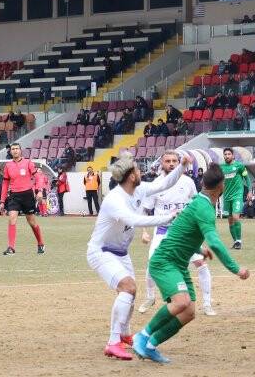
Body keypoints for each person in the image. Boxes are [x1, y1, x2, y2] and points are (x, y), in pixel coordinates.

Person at [132, 162, 248, 364]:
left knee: (189, 312)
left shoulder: (198, 202)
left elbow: (181, 231)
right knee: (181, 302)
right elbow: (216, 243)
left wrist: (199, 249)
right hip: (165, 260)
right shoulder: (204, 207)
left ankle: (151, 346)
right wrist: (236, 269)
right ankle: (141, 336)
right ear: (222, 187)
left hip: (178, 263)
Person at [86, 151, 189, 360]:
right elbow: (134, 220)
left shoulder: (139, 189)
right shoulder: (114, 199)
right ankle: (112, 342)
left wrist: (182, 166)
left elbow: (164, 184)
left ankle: (124, 334)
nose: (141, 172)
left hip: (121, 253)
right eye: (137, 170)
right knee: (128, 288)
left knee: (130, 293)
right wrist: (168, 217)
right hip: (101, 252)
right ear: (131, 175)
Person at [138, 151, 216, 316]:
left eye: (174, 161)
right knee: (152, 264)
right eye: (168, 161)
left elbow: (196, 205)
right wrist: (144, 232)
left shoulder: (188, 182)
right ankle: (150, 297)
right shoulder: (156, 184)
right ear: (162, 164)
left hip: (184, 232)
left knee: (201, 264)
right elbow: (145, 210)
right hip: (162, 231)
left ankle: (207, 303)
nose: (172, 164)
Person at [0, 143, 45, 255]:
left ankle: (40, 243)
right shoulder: (8, 166)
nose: (15, 151)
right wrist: (2, 201)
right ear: (10, 151)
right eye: (13, 149)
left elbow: (39, 177)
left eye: (17, 149)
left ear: (20, 150)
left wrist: (39, 191)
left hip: (27, 195)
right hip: (14, 196)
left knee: (32, 222)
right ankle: (11, 247)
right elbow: (5, 185)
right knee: (12, 219)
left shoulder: (28, 162)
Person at [220, 148, 250, 249]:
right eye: (225, 154)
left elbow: (247, 177)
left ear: (233, 156)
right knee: (230, 221)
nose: (227, 156)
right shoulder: (221, 167)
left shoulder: (239, 166)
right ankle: (235, 241)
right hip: (226, 196)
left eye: (229, 154)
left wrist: (250, 191)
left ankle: (239, 241)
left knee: (235, 217)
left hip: (237, 195)